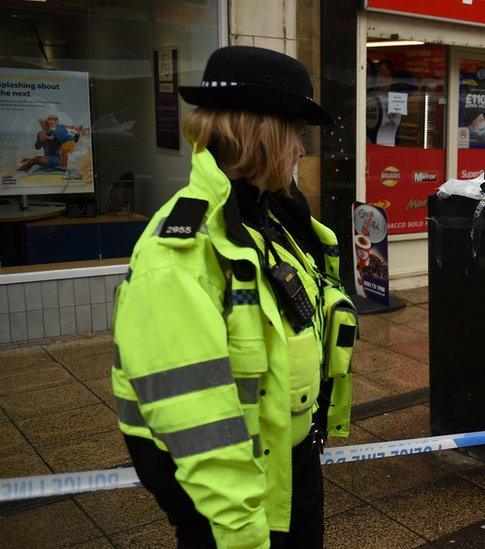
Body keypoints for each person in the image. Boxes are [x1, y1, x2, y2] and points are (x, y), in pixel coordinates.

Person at [112, 46, 355, 548]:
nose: (302, 153)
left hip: (286, 469)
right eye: (296, 137)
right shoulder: (179, 252)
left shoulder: (270, 218)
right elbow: (198, 425)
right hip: (233, 510)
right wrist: (244, 533)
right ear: (262, 136)